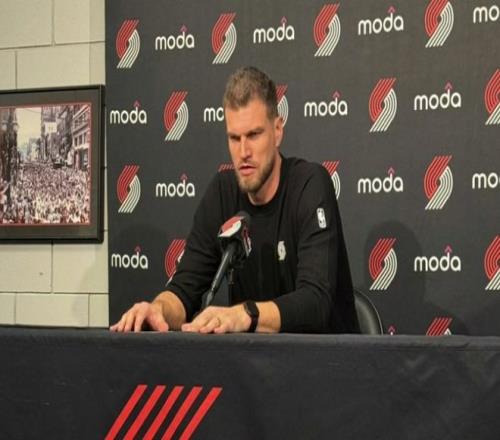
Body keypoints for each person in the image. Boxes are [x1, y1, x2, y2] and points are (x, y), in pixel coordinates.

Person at [110, 66, 360, 334]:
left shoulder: (309, 184)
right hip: (253, 359)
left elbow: (315, 303)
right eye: (234, 138)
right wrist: (158, 309)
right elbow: (184, 289)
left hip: (326, 357)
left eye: (254, 135)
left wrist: (246, 314)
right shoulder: (222, 192)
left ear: (277, 130)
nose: (243, 152)